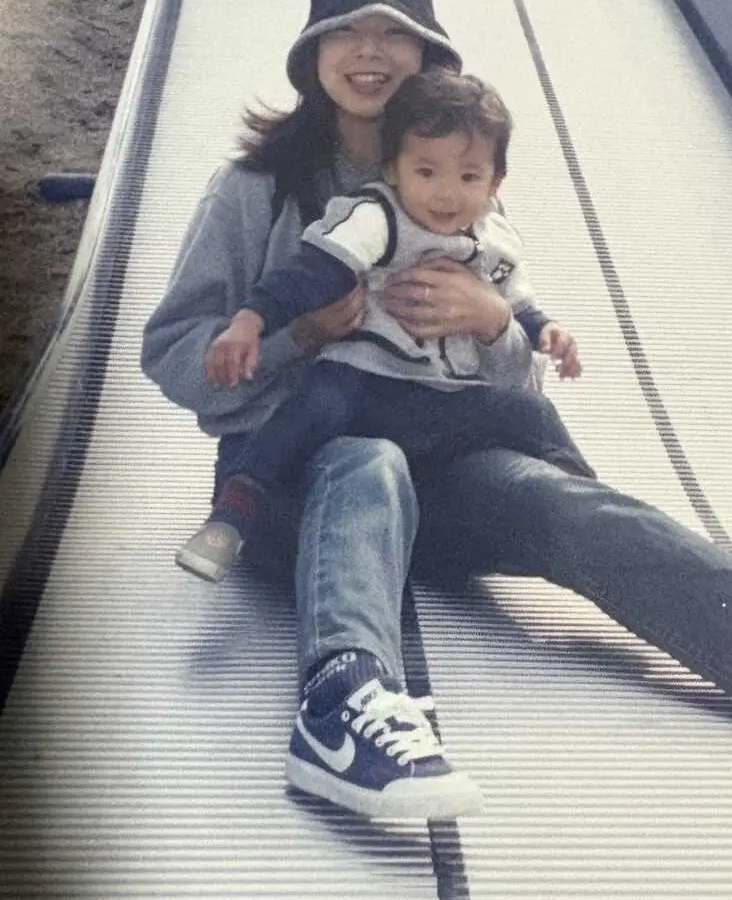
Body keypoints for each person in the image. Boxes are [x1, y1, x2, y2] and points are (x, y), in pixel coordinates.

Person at [142, 0, 732, 823]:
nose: (370, 51)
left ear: (430, 60)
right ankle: (341, 706)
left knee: (554, 497)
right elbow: (173, 353)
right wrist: (296, 335)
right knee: (366, 459)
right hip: (292, 485)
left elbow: (515, 391)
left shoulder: (459, 186)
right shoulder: (256, 189)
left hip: (438, 475)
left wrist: (492, 323)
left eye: (396, 34)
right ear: (312, 53)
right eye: (345, 32)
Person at [174, 69, 590, 585]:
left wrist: (545, 331)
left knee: (531, 412)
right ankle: (234, 512)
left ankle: (579, 499)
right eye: (427, 172)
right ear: (393, 171)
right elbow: (312, 272)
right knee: (309, 408)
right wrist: (251, 320)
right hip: (363, 385)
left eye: (468, 178)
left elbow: (518, 302)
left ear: (494, 182)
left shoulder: (493, 236)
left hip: (435, 397)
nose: (446, 194)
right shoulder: (377, 217)